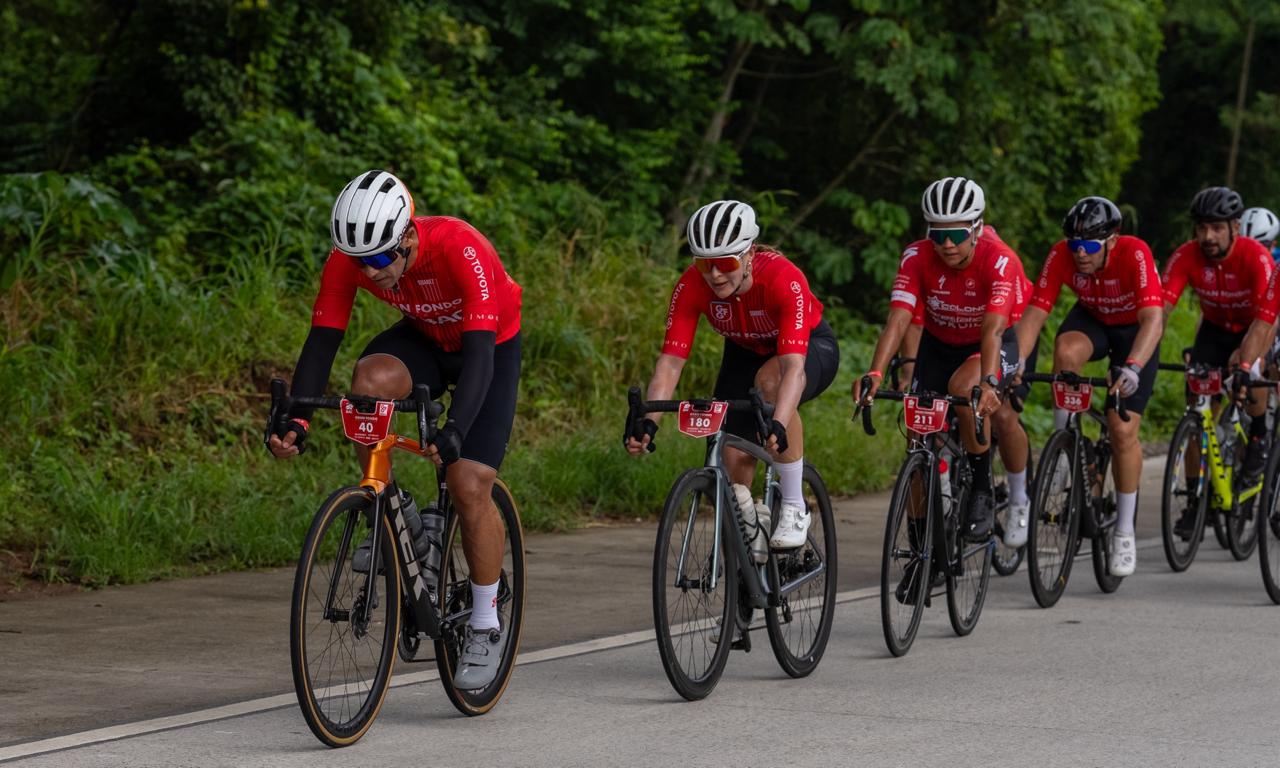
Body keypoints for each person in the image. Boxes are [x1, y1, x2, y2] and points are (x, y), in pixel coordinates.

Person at [267, 170, 523, 690]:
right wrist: (296, 417)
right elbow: (322, 342)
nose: (372, 271)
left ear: (408, 236)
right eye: (362, 262)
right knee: (368, 383)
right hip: (427, 338)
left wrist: (456, 429)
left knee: (469, 483)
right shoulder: (352, 258)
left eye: (382, 259)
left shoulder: (460, 247)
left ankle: (484, 622)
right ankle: (391, 508)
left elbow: (479, 357)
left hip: (487, 347)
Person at [625, 199, 839, 551]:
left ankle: (794, 506)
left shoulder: (782, 279)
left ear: (750, 253)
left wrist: (779, 423)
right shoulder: (693, 285)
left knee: (771, 387)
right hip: (745, 352)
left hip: (806, 349)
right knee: (732, 463)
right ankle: (752, 539)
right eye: (704, 264)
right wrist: (649, 421)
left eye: (725, 262)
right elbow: (670, 363)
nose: (715, 275)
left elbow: (793, 370)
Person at [854, 176, 1033, 567]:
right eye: (938, 233)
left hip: (987, 343)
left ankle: (983, 488)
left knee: (965, 390)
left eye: (956, 234)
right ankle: (924, 558)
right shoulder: (916, 256)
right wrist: (876, 373)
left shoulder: (999, 259)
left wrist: (988, 383)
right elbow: (899, 319)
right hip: (939, 345)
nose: (947, 244)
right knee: (918, 442)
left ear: (977, 229)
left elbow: (993, 329)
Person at [1013, 196, 1164, 576]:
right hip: (1094, 319)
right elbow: (1035, 313)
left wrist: (1132, 367)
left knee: (1121, 429)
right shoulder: (1062, 254)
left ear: (1112, 241)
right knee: (1065, 351)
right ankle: (1065, 442)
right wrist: (1011, 361)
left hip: (1134, 333)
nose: (1080, 254)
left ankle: (1124, 531)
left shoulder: (1135, 253)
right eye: (1075, 246)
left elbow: (1152, 320)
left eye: (1090, 247)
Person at [1162, 186, 1276, 532]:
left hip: (1254, 328)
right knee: (1197, 410)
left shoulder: (1257, 258)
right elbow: (1160, 310)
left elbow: (1266, 320)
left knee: (1252, 380)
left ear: (1234, 229)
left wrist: (1244, 364)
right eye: (1201, 228)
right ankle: (1198, 501)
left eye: (1216, 228)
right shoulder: (1186, 256)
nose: (1207, 237)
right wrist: (1142, 354)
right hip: (1213, 331)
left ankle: (1258, 435)